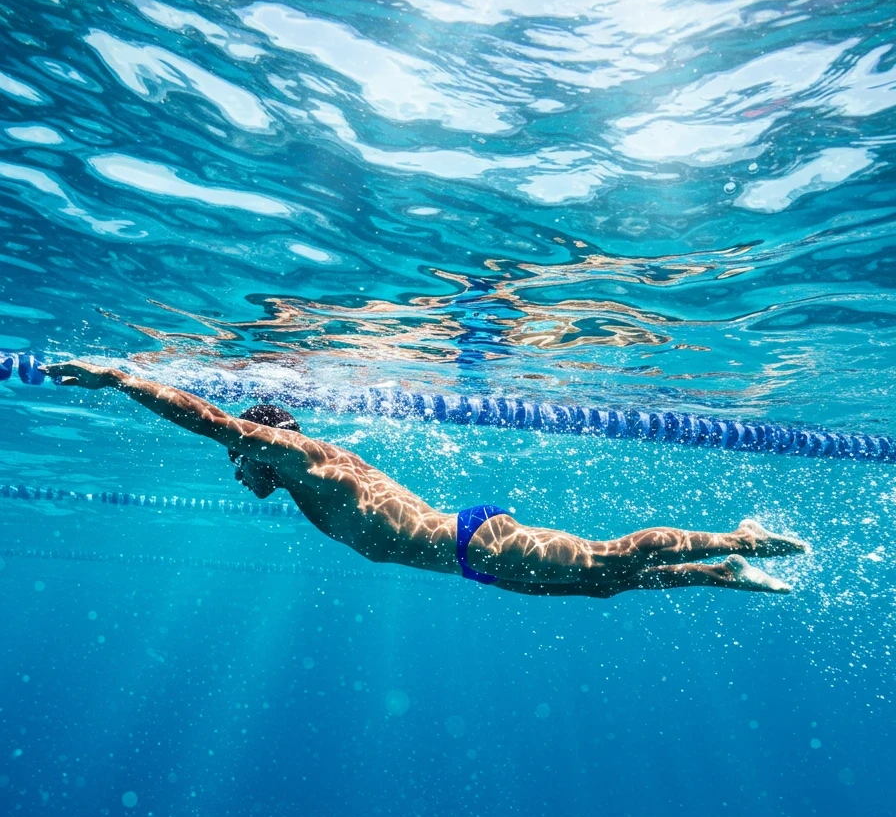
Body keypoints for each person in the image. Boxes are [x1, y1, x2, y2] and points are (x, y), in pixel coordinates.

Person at [46, 361, 806, 597]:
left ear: (263, 445)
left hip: (475, 541)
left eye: (241, 462)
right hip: (471, 560)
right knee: (604, 587)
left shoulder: (300, 458)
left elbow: (209, 419)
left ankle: (732, 536)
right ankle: (720, 570)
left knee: (608, 558)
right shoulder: (305, 475)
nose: (238, 476)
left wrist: (118, 378)